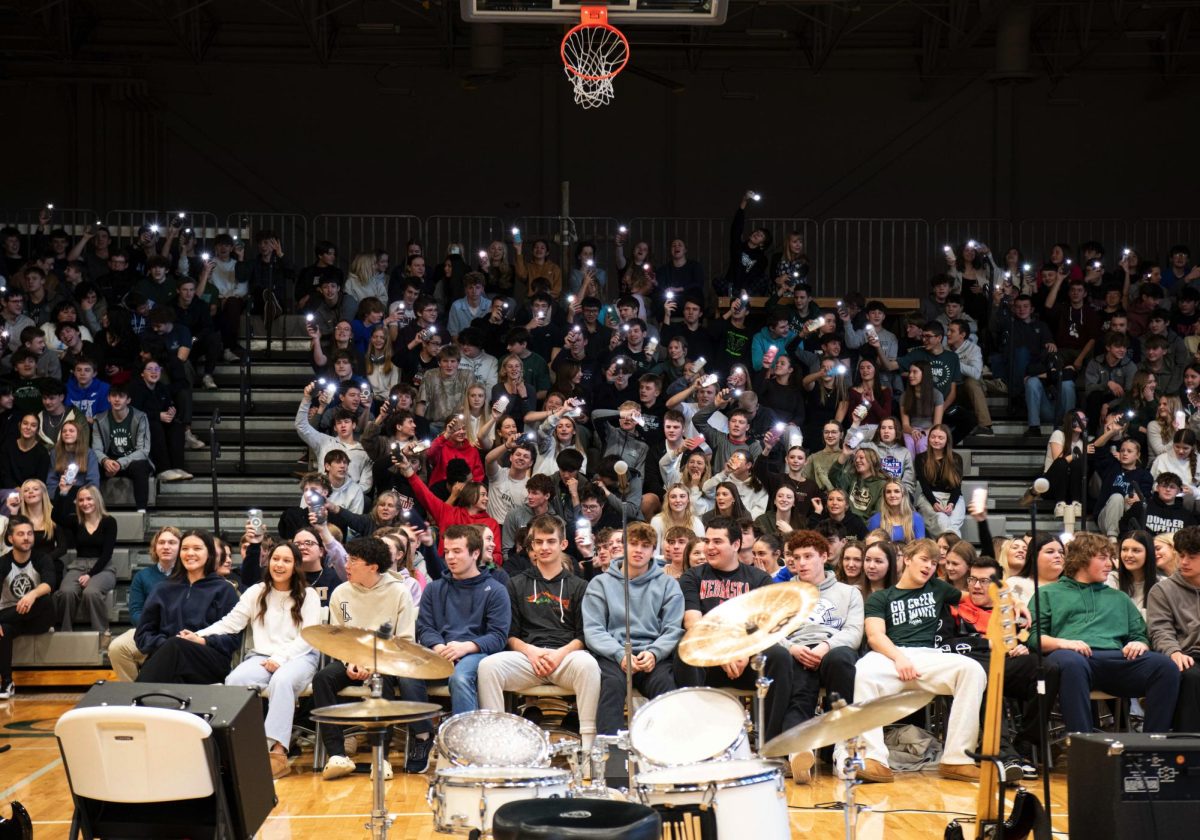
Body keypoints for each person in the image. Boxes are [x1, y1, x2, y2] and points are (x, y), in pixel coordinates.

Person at [846, 538, 986, 783]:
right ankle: (873, 758)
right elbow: (875, 636)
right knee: (863, 671)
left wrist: (1014, 602)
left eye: (934, 563)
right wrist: (899, 658)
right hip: (890, 655)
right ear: (907, 559)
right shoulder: (881, 598)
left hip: (929, 655)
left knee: (972, 670)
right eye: (924, 560)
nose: (929, 567)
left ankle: (957, 759)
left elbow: (976, 599)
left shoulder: (939, 588)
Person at [1029, 531, 1179, 734]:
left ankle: (1151, 745)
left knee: (1164, 666)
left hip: (1115, 660)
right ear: (1082, 559)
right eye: (1103, 558)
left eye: (1110, 558)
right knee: (1071, 662)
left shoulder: (1119, 597)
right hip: (1073, 658)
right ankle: (1084, 746)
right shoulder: (1048, 593)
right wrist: (1064, 643)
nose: (1110, 564)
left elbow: (1140, 635)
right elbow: (1034, 638)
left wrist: (1140, 643)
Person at [196, 540, 320, 779]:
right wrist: (200, 634)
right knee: (235, 679)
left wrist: (281, 658)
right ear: (268, 561)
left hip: (299, 657)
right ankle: (241, 746)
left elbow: (308, 636)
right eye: (275, 559)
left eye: (286, 560)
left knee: (281, 682)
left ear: (296, 566)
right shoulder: (256, 591)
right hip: (262, 656)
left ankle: (278, 752)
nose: (280, 565)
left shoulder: (309, 595)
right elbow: (231, 623)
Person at [478, 515, 600, 750]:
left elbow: (584, 636)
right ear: (531, 545)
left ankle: (588, 747)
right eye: (539, 542)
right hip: (527, 658)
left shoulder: (579, 586)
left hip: (566, 658)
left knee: (589, 665)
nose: (545, 547)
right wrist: (531, 652)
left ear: (563, 544)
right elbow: (509, 634)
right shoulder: (515, 584)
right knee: (488, 667)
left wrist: (559, 654)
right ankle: (496, 746)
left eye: (551, 541)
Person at [315, 536, 434, 780]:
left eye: (354, 560)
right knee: (322, 679)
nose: (346, 565)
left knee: (384, 680)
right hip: (352, 659)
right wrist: (351, 662)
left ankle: (382, 759)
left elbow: (404, 640)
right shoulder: (341, 594)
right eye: (347, 559)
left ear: (373, 567)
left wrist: (373, 663)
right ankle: (337, 754)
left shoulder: (398, 592)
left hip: (386, 660)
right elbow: (340, 636)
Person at [675, 516, 791, 741]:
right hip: (709, 661)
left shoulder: (759, 578)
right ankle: (696, 741)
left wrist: (743, 652)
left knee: (779, 656)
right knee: (684, 650)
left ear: (736, 545)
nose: (709, 547)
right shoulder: (693, 576)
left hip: (746, 660)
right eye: (707, 541)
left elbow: (764, 626)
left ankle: (773, 743)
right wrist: (722, 652)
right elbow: (692, 622)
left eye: (717, 541)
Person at [583, 520, 684, 735]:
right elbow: (594, 629)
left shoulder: (668, 585)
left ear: (653, 551)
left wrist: (655, 653)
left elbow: (673, 628)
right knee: (611, 686)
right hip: (613, 656)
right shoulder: (600, 583)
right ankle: (612, 762)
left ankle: (668, 757)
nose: (639, 550)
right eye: (634, 544)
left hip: (653, 656)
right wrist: (619, 654)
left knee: (667, 687)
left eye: (645, 546)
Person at [780, 530, 863, 784]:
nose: (801, 563)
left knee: (842, 662)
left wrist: (825, 646)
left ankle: (841, 747)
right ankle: (799, 751)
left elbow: (853, 632)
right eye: (796, 557)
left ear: (825, 556)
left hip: (832, 648)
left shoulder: (849, 593)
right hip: (797, 648)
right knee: (799, 687)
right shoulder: (783, 593)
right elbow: (769, 632)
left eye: (808, 556)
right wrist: (791, 648)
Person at [416, 524, 510, 714]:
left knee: (460, 678)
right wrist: (439, 647)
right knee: (407, 675)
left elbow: (498, 636)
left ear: (475, 553)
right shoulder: (433, 589)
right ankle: (422, 737)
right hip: (440, 651)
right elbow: (425, 628)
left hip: (476, 654)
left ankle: (465, 740)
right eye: (447, 551)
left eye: (457, 551)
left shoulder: (496, 590)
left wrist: (465, 647)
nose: (450, 557)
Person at [135, 530, 241, 684]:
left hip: (209, 661)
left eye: (197, 548)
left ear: (210, 553)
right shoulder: (162, 589)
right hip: (167, 656)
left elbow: (233, 639)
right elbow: (142, 635)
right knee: (174, 650)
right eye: (185, 549)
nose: (190, 553)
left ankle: (134, 703)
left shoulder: (225, 590)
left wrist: (202, 641)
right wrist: (166, 645)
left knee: (176, 648)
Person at [107, 526, 180, 682]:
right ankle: (135, 693)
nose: (166, 546)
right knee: (117, 648)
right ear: (155, 548)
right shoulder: (142, 576)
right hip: (147, 630)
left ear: (181, 547)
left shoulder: (188, 574)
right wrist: (151, 630)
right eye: (161, 542)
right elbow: (135, 612)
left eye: (172, 542)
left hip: (177, 631)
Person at [1147, 524, 1200, 730]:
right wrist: (1173, 651)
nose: (1184, 562)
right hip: (1186, 655)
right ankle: (1190, 750)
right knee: (1191, 676)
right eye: (1181, 555)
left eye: (1192, 557)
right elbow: (1160, 630)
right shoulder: (1163, 590)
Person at [0, 516, 55, 699]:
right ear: (10, 539)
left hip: (37, 619)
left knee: (46, 600)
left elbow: (49, 583)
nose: (26, 538)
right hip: (13, 620)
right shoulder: (3, 562)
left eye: (30, 533)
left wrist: (31, 595)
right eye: (21, 534)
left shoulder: (42, 558)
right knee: (3, 630)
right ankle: (7, 683)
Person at [50, 484, 117, 633]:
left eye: (89, 499)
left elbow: (107, 554)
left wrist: (90, 575)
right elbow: (56, 516)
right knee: (66, 592)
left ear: (97, 500)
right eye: (81, 500)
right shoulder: (76, 521)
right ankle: (66, 631)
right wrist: (62, 492)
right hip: (78, 565)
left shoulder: (109, 521)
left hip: (103, 567)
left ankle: (101, 632)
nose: (85, 503)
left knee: (91, 592)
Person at [91, 384, 154, 511]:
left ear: (128, 400)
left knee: (140, 465)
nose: (117, 399)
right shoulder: (99, 419)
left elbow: (143, 450)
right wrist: (105, 461)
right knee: (92, 463)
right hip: (110, 462)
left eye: (121, 396)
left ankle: (141, 510)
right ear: (108, 398)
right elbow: (96, 449)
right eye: (113, 396)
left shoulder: (140, 417)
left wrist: (120, 463)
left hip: (131, 461)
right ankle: (92, 508)